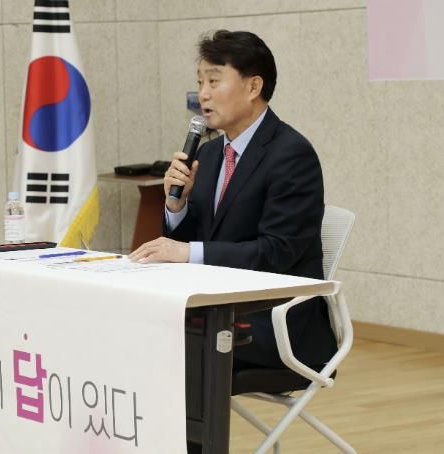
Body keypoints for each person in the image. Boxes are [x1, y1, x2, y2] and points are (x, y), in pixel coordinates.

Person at [130, 29, 337, 370]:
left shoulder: (291, 155)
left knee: (158, 345)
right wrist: (176, 207)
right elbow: (198, 240)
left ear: (253, 87)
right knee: (131, 325)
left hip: (271, 320)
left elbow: (276, 252)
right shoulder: (209, 154)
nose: (203, 94)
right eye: (200, 82)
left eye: (214, 81)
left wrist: (187, 252)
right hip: (214, 307)